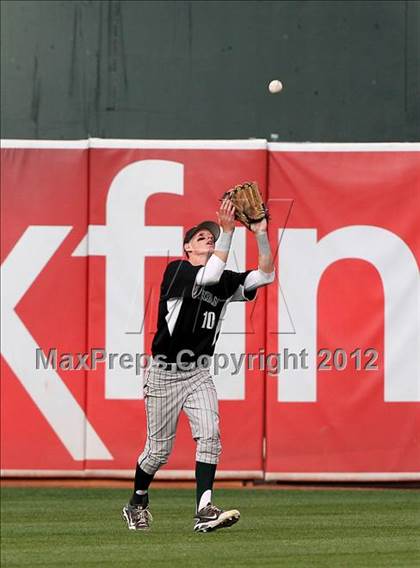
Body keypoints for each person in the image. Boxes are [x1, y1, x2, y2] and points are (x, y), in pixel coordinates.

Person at [122, 197, 275, 532]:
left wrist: (261, 233)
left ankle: (204, 510)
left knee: (211, 435)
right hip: (164, 373)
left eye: (211, 236)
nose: (208, 238)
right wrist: (227, 233)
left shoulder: (222, 280)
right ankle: (137, 501)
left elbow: (266, 275)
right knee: (157, 453)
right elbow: (208, 276)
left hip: (197, 373)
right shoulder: (177, 270)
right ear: (186, 247)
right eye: (201, 237)